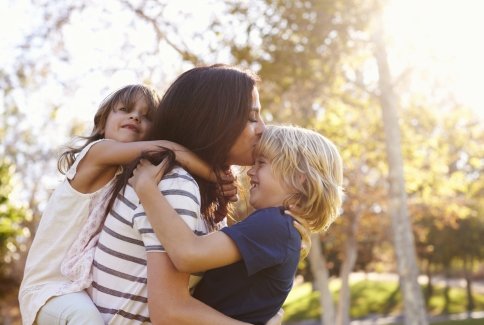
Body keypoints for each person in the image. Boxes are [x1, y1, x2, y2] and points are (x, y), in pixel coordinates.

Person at [89, 64, 287, 324]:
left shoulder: (196, 188)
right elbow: (170, 312)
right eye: (251, 118)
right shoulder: (175, 184)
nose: (262, 128)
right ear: (214, 120)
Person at [18, 84, 223, 325]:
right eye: (125, 109)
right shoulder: (96, 153)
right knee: (85, 318)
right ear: (102, 124)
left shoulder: (127, 177)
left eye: (146, 117)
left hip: (77, 287)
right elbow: (168, 151)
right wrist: (216, 175)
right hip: (48, 289)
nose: (135, 116)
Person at [130, 124, 344, 324]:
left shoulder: (274, 224)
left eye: (261, 163)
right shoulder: (282, 229)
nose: (250, 172)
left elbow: (188, 254)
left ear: (299, 179)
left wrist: (146, 187)